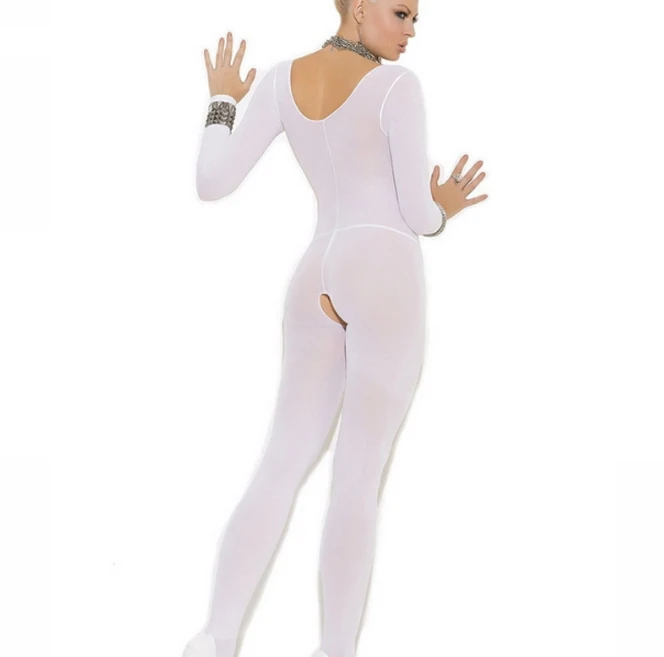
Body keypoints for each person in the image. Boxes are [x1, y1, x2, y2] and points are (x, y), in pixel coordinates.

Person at [185, 2, 488, 657]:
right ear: (357, 5)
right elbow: (417, 214)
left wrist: (222, 99)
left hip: (314, 273)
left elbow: (211, 181)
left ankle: (216, 634)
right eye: (400, 12)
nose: (410, 30)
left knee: (280, 462)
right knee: (358, 474)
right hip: (383, 268)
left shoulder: (279, 80)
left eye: (416, 19)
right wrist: (445, 211)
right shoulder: (397, 87)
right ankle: (335, 650)